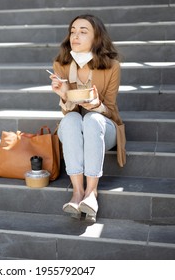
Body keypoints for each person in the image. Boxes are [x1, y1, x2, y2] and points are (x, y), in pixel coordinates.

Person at [49, 14, 126, 222]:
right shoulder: (61, 64)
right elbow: (68, 114)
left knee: (92, 119)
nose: (75, 35)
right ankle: (77, 192)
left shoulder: (112, 67)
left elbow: (111, 110)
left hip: (102, 128)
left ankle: (91, 192)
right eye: (73, 31)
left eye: (83, 32)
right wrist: (64, 95)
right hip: (75, 127)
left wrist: (96, 106)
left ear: (96, 38)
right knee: (72, 120)